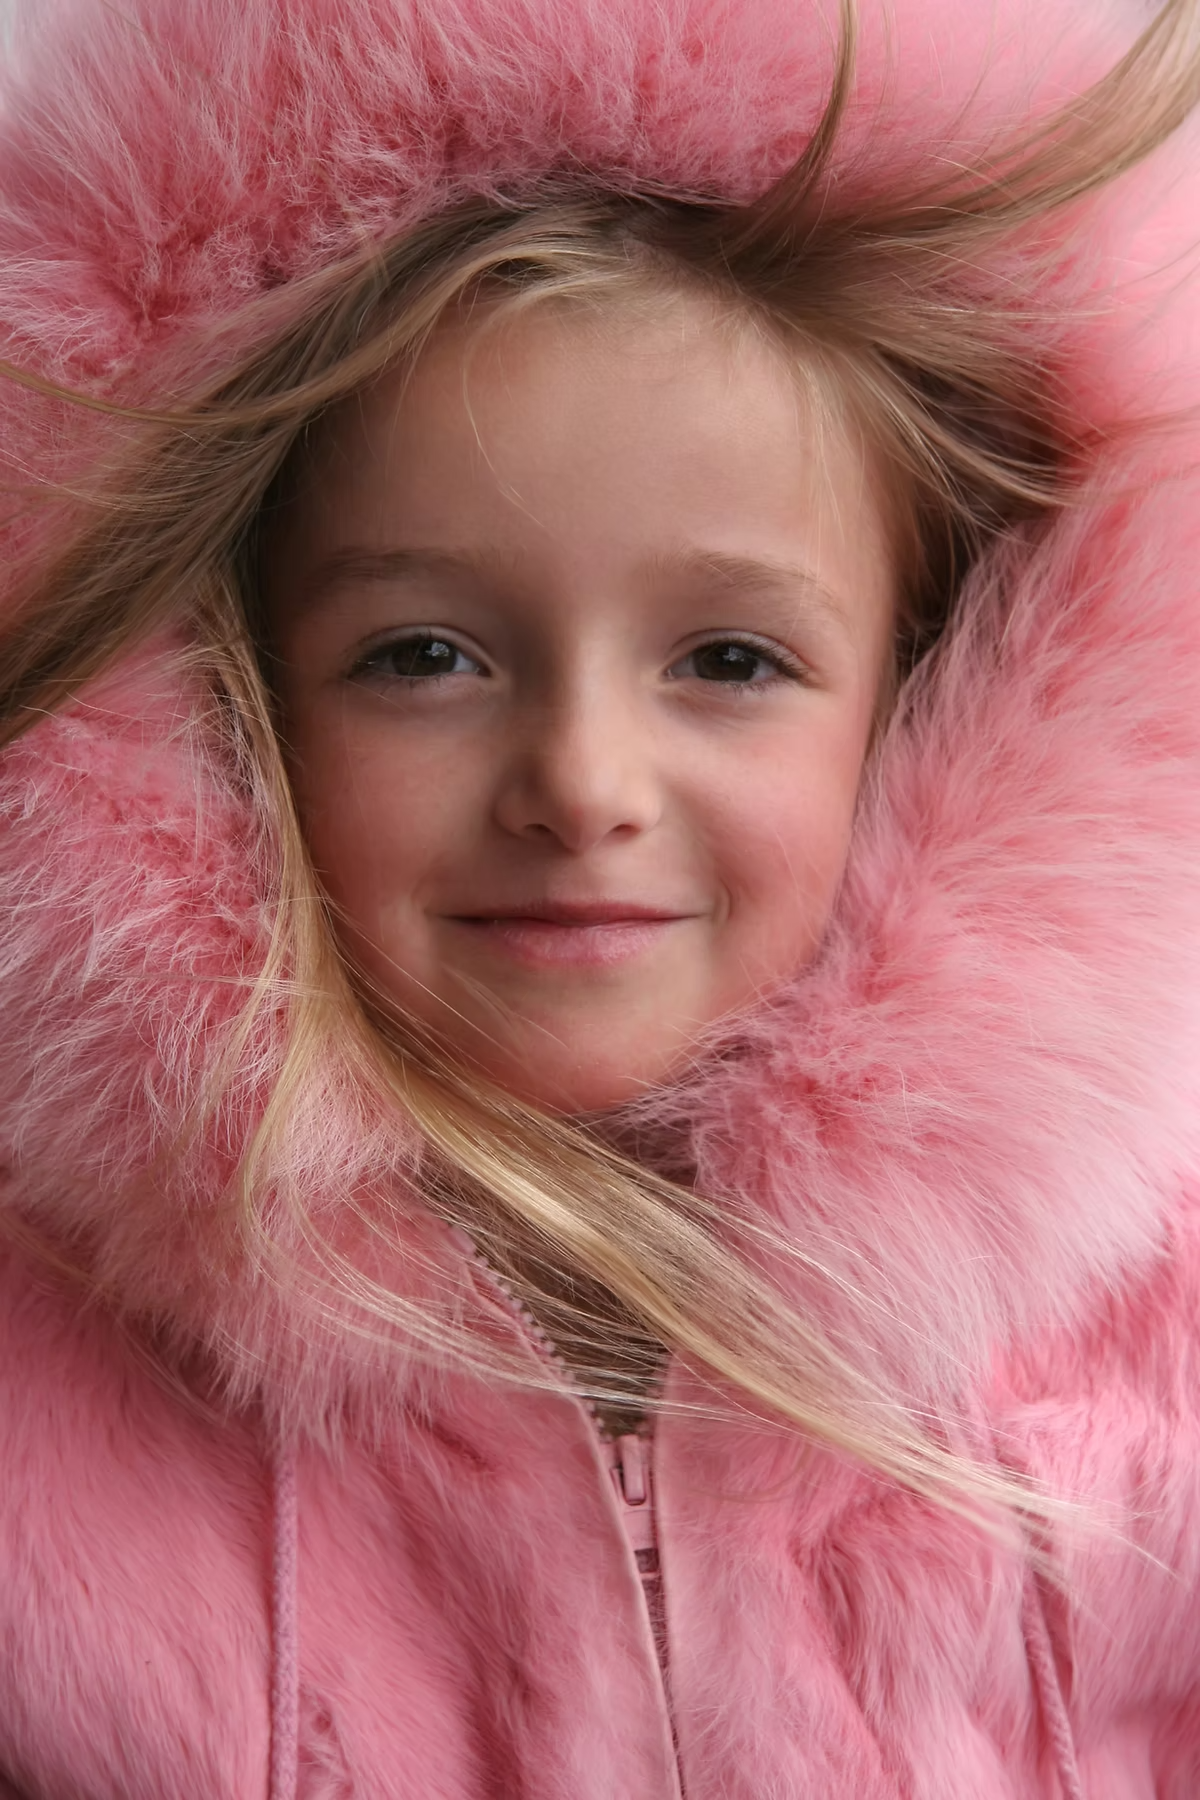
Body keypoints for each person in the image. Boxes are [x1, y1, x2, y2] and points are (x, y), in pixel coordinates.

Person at [1, 0, 1200, 1792]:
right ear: (227, 701)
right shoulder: (44, 1372)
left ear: (935, 693)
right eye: (423, 655)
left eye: (725, 656)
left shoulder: (1148, 1322)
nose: (581, 783)